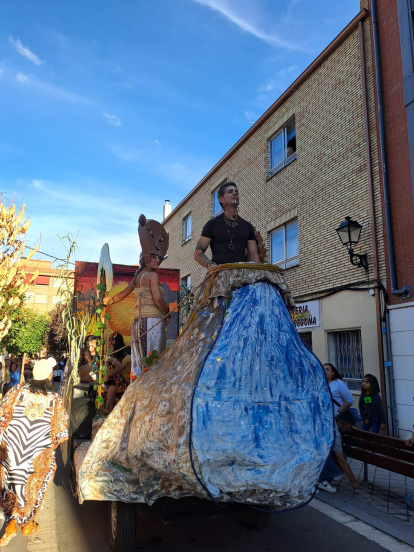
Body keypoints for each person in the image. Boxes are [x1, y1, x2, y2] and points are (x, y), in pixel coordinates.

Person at [0, 357, 68, 546]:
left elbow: (2, 416)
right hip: (38, 451)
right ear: (48, 375)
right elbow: (61, 431)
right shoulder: (54, 398)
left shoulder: (16, 391)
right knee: (34, 485)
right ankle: (24, 523)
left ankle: (14, 523)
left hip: (12, 448)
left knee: (13, 485)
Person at [103, 215, 170, 378]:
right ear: (145, 258)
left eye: (159, 257)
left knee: (139, 361)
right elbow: (157, 297)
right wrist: (167, 312)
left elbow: (122, 295)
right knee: (153, 362)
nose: (158, 260)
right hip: (152, 321)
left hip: (137, 323)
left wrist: (109, 300)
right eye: (154, 257)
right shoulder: (152, 276)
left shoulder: (137, 278)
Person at [194, 181, 260, 269]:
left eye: (236, 192)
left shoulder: (247, 226)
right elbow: (198, 253)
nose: (235, 193)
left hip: (242, 276)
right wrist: (210, 264)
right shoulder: (212, 224)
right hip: (219, 276)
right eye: (230, 191)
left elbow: (253, 256)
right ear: (221, 199)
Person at [318, 411, 360, 493]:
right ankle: (321, 480)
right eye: (347, 428)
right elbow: (341, 461)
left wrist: (351, 426)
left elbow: (339, 413)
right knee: (339, 466)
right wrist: (352, 479)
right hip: (318, 454)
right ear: (340, 423)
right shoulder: (335, 433)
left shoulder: (333, 416)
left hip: (315, 449)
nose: (347, 430)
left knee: (341, 457)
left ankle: (321, 479)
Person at [104, 332, 131, 413]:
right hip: (118, 382)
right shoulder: (120, 353)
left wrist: (108, 375)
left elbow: (119, 367)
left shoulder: (110, 356)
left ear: (111, 342)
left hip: (114, 382)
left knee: (108, 408)